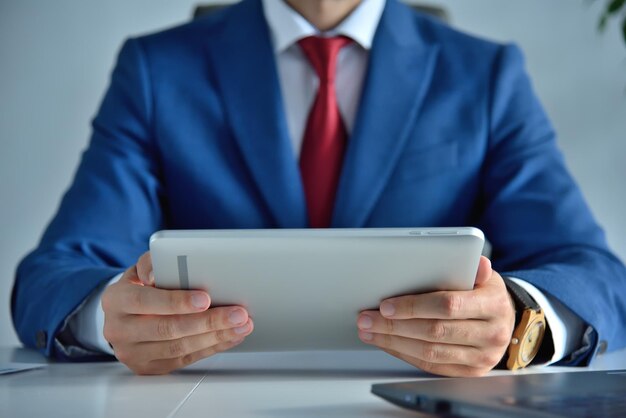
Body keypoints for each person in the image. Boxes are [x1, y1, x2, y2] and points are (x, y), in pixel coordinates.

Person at [11, 0, 626, 376]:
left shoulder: (486, 76)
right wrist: (109, 322)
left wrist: (519, 321)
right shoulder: (157, 71)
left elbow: (594, 271)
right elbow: (54, 273)